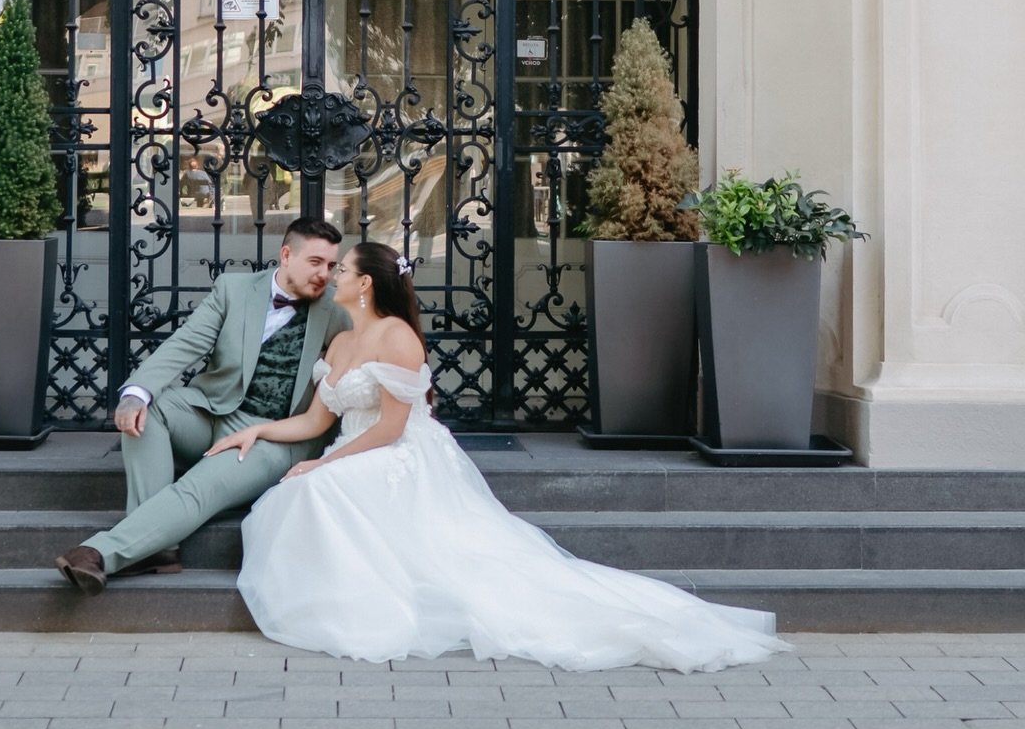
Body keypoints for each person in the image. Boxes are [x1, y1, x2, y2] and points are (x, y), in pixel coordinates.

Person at [210, 240, 787, 673]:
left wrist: (325, 463)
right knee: (296, 492)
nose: (332, 274)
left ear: (364, 284)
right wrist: (257, 431)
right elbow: (317, 420)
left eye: (342, 268)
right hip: (354, 447)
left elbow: (389, 428)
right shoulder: (339, 340)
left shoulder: (397, 339)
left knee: (317, 489)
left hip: (396, 451)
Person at [55, 217, 352, 592]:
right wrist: (135, 393)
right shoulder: (234, 289)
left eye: (330, 265)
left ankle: (100, 553)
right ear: (286, 255)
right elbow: (185, 343)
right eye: (315, 262)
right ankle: (157, 546)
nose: (325, 274)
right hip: (212, 410)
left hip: (274, 437)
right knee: (149, 411)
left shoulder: (338, 311)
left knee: (198, 486)